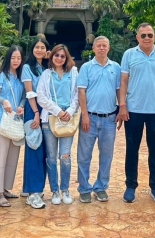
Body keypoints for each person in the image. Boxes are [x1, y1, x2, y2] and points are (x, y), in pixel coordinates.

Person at [117, 23, 155, 204]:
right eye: (143, 35)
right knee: (132, 149)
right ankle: (130, 186)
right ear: (137, 37)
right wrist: (122, 105)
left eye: (150, 35)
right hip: (134, 109)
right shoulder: (129, 54)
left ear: (154, 36)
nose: (147, 38)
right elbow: (123, 81)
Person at [77, 36, 121, 203]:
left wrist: (121, 109)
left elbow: (119, 90)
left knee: (106, 156)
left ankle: (101, 187)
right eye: (99, 46)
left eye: (104, 45)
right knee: (84, 155)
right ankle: (84, 188)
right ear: (94, 48)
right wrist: (84, 115)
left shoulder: (116, 67)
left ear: (108, 48)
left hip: (109, 118)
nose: (102, 48)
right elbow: (81, 92)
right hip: (90, 118)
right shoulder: (86, 68)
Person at [37, 44, 79, 205]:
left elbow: (77, 94)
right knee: (52, 157)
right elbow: (41, 96)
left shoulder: (73, 72)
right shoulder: (46, 74)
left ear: (66, 58)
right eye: (56, 55)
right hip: (50, 119)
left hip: (68, 118)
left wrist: (70, 110)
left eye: (62, 56)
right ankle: (54, 190)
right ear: (51, 56)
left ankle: (65, 189)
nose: (59, 58)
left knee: (65, 156)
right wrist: (57, 111)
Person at [0, 45, 26, 207]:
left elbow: (24, 97)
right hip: (2, 121)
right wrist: (4, 101)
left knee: (12, 158)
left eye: (19, 58)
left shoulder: (20, 77)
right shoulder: (0, 76)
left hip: (16, 121)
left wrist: (22, 106)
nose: (16, 61)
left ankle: (5, 188)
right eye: (13, 58)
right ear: (8, 58)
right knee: (1, 157)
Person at [21, 38, 50, 209]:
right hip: (34, 110)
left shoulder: (47, 67)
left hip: (47, 110)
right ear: (32, 50)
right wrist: (36, 113)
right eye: (37, 47)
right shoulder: (27, 67)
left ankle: (32, 188)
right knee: (34, 149)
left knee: (45, 151)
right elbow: (29, 92)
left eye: (42, 47)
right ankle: (33, 192)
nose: (39, 50)